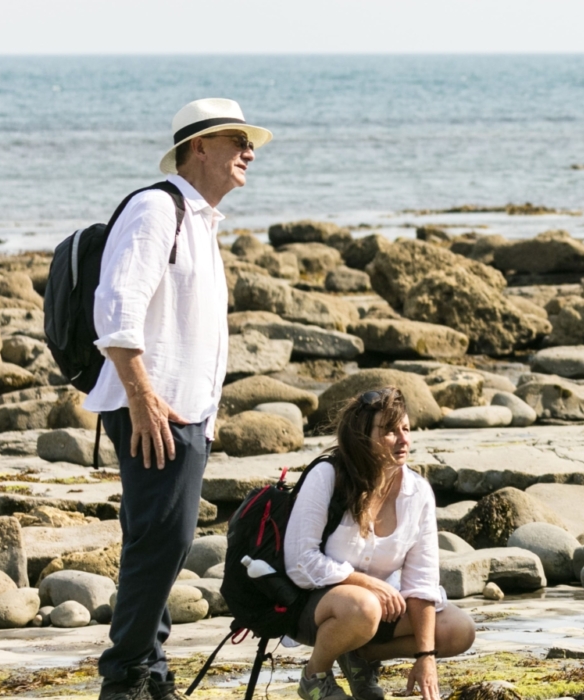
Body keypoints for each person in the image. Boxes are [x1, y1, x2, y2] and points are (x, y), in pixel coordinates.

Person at [86, 98, 270, 700]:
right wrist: (140, 395)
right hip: (155, 408)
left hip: (183, 409)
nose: (249, 152)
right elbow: (116, 308)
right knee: (166, 539)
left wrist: (205, 416)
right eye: (237, 140)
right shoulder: (154, 208)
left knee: (157, 538)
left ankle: (151, 673)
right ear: (199, 147)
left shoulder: (199, 221)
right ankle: (127, 677)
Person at [286, 387, 477, 700]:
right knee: (365, 606)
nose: (403, 440)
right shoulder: (327, 475)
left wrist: (425, 656)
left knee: (459, 629)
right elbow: (300, 562)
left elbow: (422, 581)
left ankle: (360, 657)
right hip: (311, 606)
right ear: (363, 435)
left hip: (375, 610)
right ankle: (315, 677)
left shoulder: (418, 493)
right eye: (389, 431)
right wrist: (365, 584)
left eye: (406, 429)